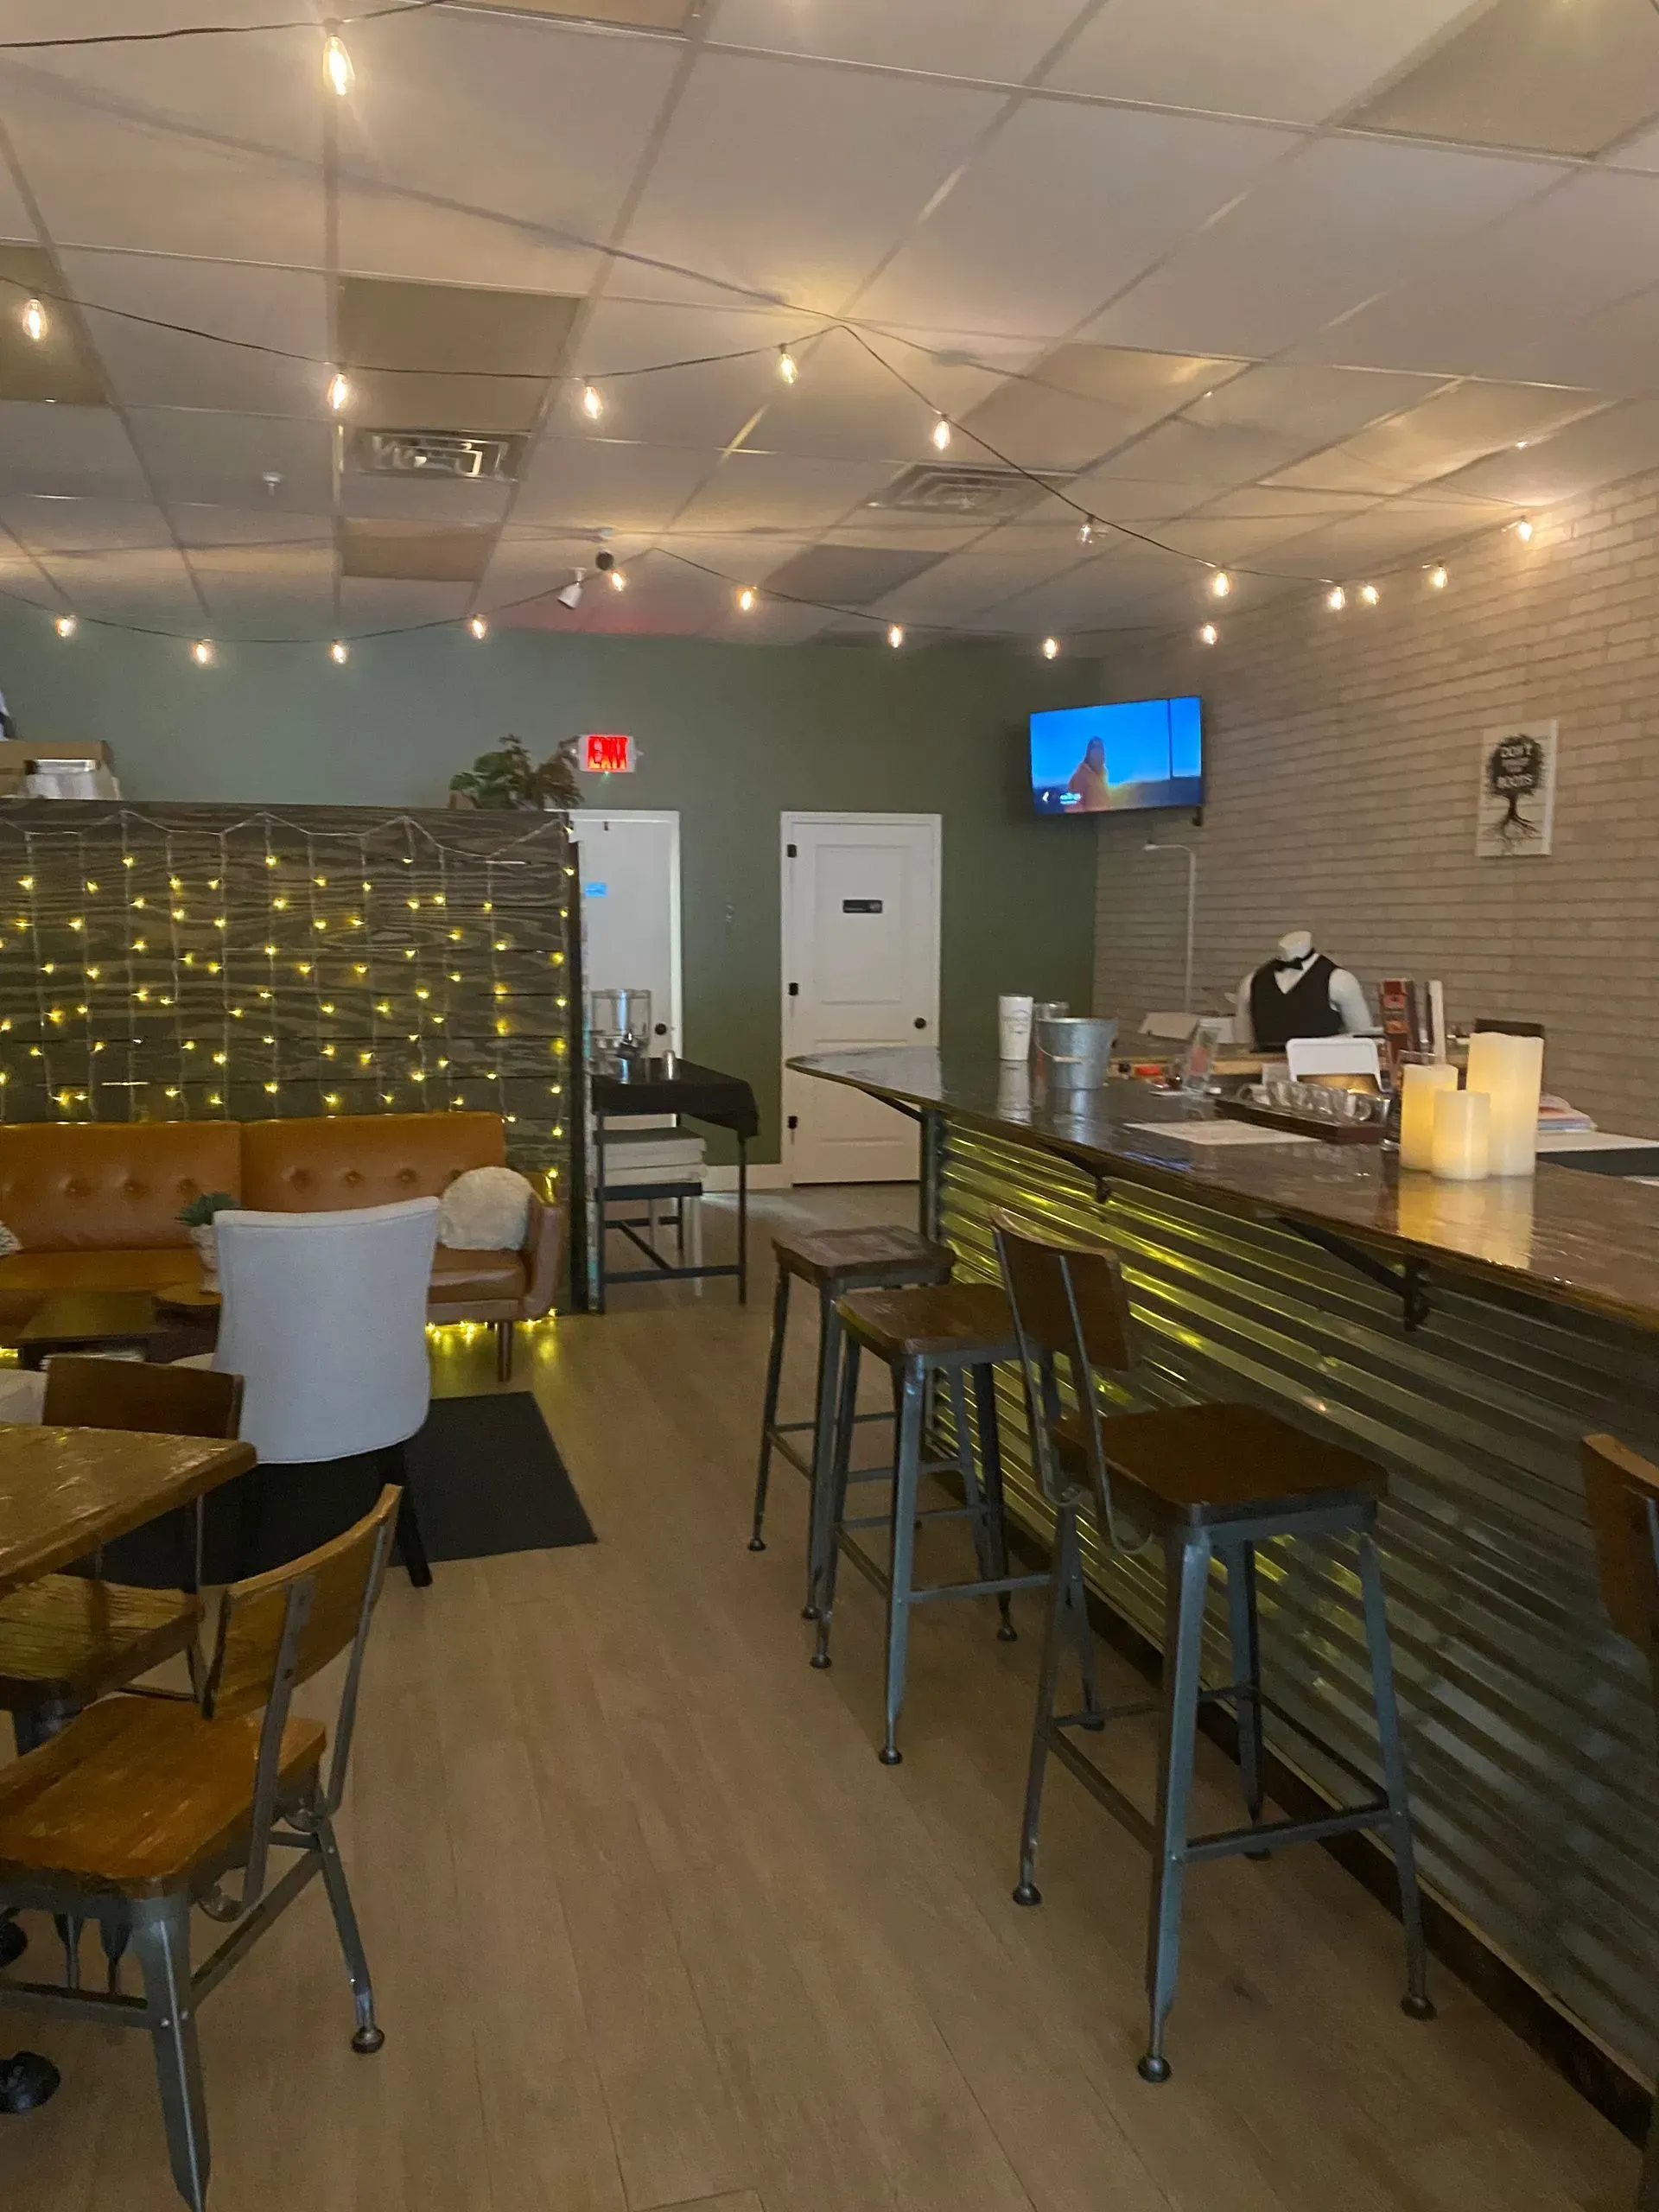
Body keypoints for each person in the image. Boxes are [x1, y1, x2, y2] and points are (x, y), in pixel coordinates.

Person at [1067, 736, 1109, 812]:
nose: (1100, 755)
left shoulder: (1101, 777)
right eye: (1096, 750)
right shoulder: (1080, 776)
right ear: (1089, 754)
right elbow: (1074, 809)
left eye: (1101, 750)